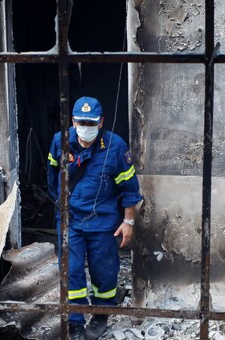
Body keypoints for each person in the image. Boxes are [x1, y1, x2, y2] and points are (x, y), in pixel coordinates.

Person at [47, 96, 143, 340]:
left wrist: (128, 221)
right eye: (81, 122)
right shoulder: (60, 142)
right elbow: (51, 177)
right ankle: (75, 320)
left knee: (105, 272)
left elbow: (129, 188)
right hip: (71, 222)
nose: (85, 128)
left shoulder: (116, 146)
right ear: (73, 121)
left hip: (104, 222)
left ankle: (101, 312)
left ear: (101, 123)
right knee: (72, 271)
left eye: (91, 123)